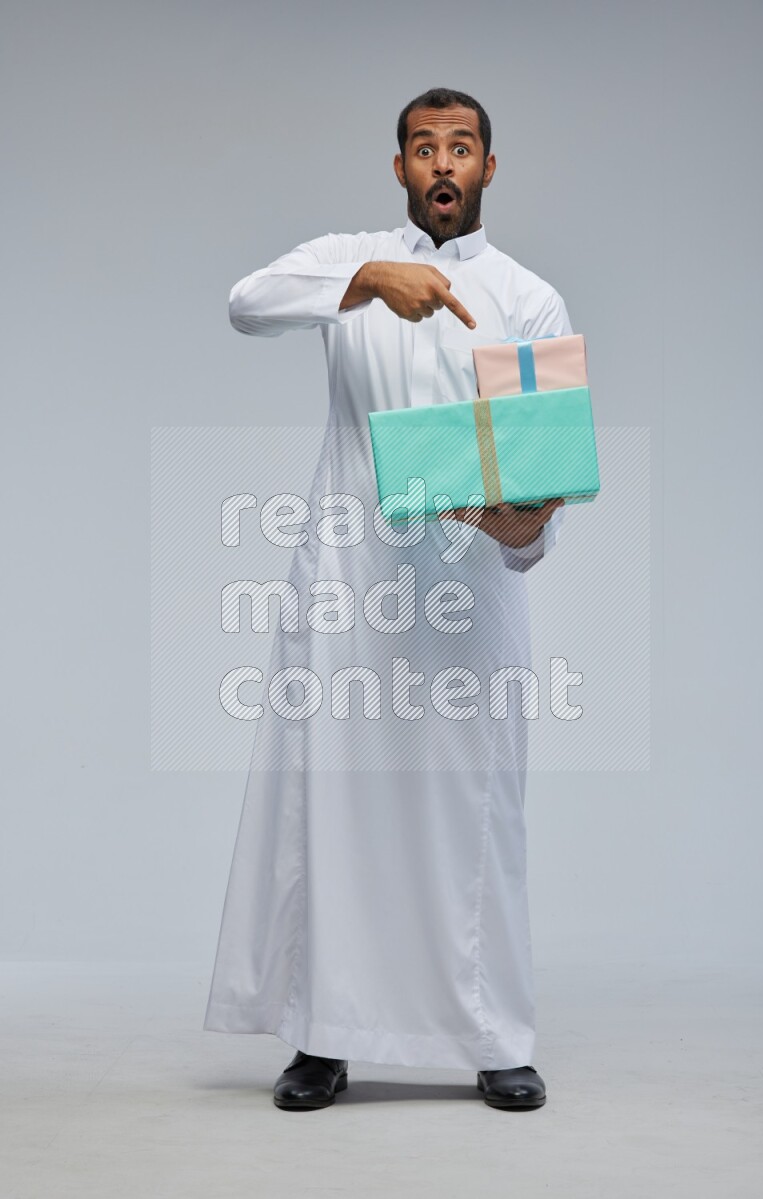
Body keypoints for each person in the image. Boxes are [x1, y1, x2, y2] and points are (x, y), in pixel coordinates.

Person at [203, 87, 572, 1112]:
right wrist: (365, 281)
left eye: (461, 147)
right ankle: (322, 1038)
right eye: (423, 148)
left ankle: (495, 1033)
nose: (442, 163)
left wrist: (522, 525)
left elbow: (538, 460)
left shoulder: (527, 299)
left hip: (464, 596)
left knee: (476, 814)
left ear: (490, 168)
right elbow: (244, 301)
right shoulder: (347, 262)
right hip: (351, 589)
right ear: (400, 167)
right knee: (336, 805)